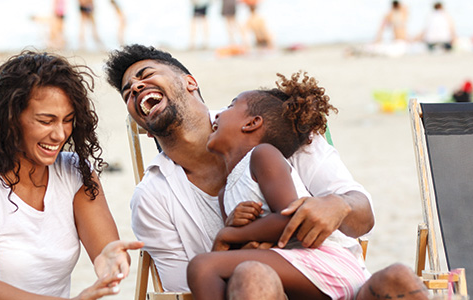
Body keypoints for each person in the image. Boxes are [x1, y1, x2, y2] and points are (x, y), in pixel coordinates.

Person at [103, 44, 428, 299]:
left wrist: (338, 204)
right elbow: (181, 291)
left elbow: (362, 217)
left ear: (189, 82)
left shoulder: (276, 134)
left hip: (328, 277)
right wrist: (237, 244)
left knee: (398, 278)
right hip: (253, 289)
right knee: (252, 275)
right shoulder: (152, 198)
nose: (135, 87)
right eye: (127, 91)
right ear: (142, 126)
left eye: (145, 75)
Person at [0, 51, 143, 299]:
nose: (59, 134)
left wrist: (111, 261)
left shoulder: (75, 173)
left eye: (68, 120)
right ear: (9, 119)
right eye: (46, 121)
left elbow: (106, 250)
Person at [187, 72, 370, 300]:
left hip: (325, 262)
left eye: (230, 106)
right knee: (210, 267)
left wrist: (230, 234)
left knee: (203, 266)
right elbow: (240, 247)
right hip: (289, 271)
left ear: (252, 123)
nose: (218, 114)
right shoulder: (226, 192)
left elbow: (291, 218)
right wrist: (232, 235)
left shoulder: (263, 156)